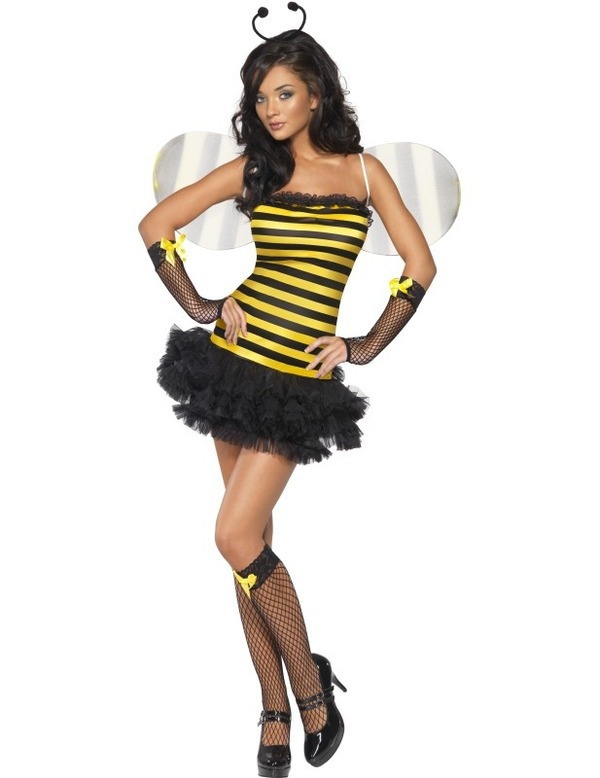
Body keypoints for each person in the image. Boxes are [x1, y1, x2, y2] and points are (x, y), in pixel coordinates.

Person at [138, 24, 436, 778]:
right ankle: (280, 701)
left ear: (317, 96)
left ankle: (306, 685)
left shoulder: (364, 173)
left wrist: (363, 345)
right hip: (232, 365)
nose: (270, 109)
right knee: (250, 543)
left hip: (296, 382)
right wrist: (203, 305)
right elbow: (155, 225)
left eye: (284, 94)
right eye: (260, 97)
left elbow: (421, 264)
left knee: (235, 537)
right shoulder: (255, 168)